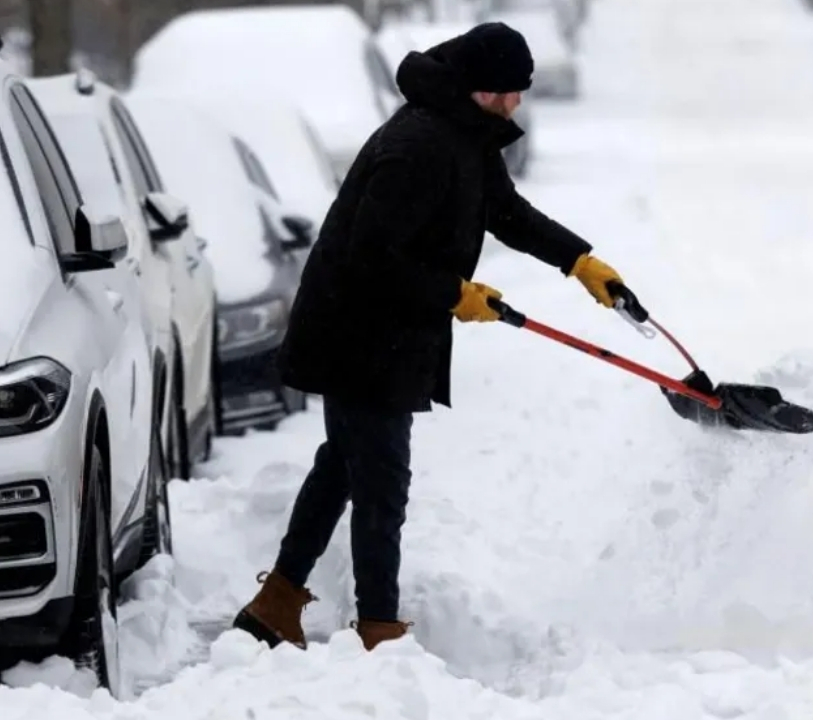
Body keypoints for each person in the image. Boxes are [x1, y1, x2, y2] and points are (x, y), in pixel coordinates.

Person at [230, 22, 626, 652]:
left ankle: (276, 604)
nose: (517, 102)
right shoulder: (416, 145)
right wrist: (454, 293)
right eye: (510, 90)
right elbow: (372, 255)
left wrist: (579, 262)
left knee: (345, 466)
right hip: (356, 333)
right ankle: (377, 632)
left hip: (383, 332)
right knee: (381, 481)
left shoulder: (465, 133)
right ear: (481, 87)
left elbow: (506, 211)